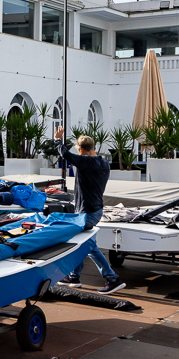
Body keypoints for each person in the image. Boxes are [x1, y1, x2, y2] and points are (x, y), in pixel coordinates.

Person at [55, 126, 125, 294]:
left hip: (87, 211)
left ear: (81, 149)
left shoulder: (86, 162)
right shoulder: (104, 163)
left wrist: (58, 139)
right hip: (96, 209)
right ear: (93, 147)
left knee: (88, 245)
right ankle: (73, 277)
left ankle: (112, 278)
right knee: (82, 242)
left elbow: (65, 154)